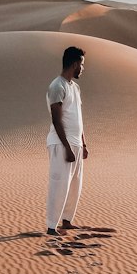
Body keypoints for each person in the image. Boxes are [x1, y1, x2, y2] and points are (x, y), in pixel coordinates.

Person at [45, 46, 88, 234]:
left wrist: (83, 144)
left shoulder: (75, 87)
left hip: (75, 143)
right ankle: (51, 226)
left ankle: (67, 221)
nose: (82, 69)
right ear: (74, 63)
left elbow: (78, 117)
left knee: (74, 185)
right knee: (59, 183)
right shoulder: (57, 86)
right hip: (61, 144)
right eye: (82, 64)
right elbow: (56, 119)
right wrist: (67, 147)